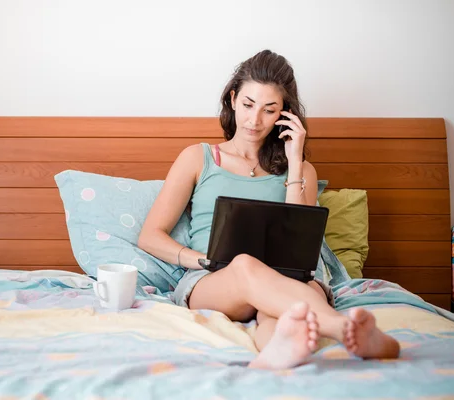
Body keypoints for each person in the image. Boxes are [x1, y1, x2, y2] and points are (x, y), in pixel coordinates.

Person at [137, 49, 400, 370]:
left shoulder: (301, 168)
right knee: (246, 266)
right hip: (213, 279)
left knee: (281, 313)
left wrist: (295, 161)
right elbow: (150, 236)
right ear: (232, 99)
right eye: (248, 105)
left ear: (284, 115)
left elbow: (299, 243)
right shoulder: (198, 157)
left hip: (288, 278)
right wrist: (202, 260)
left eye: (269, 109)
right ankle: (344, 328)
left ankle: (277, 354)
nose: (254, 119)